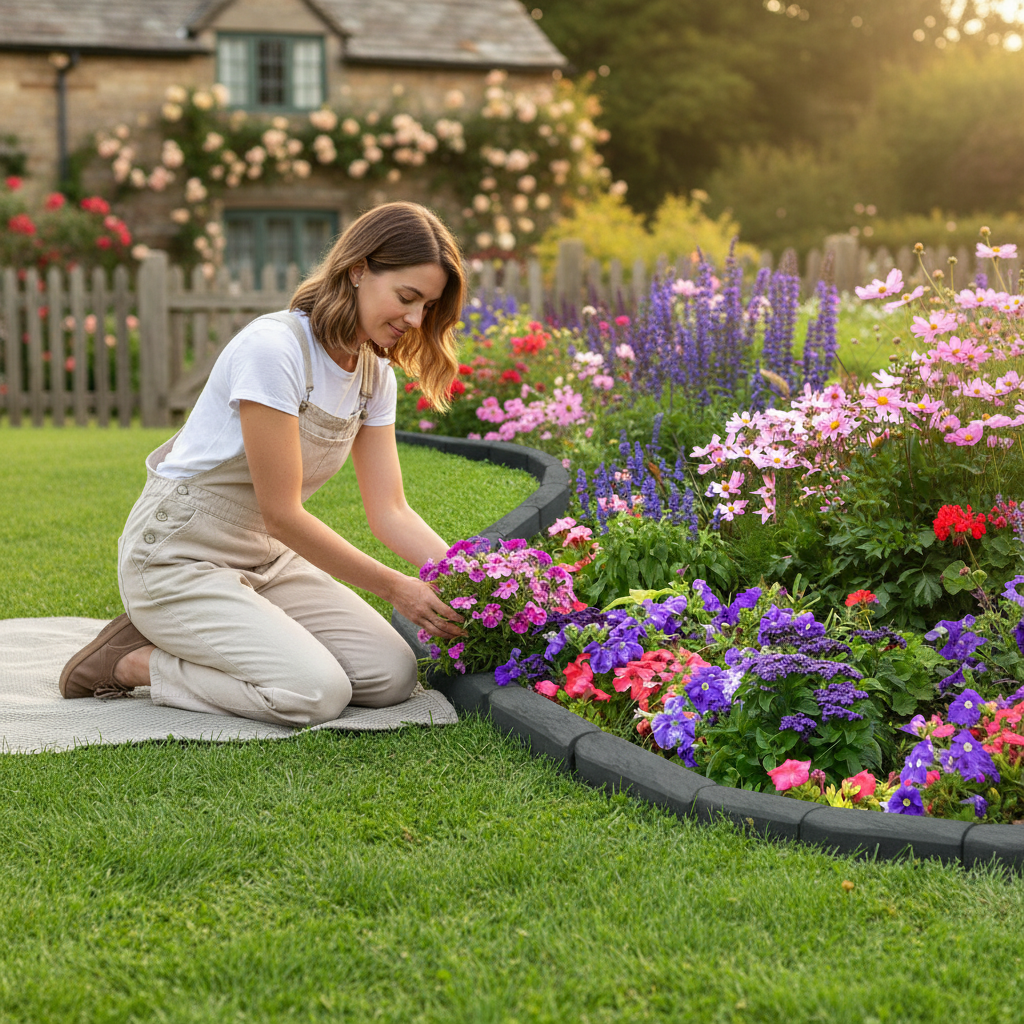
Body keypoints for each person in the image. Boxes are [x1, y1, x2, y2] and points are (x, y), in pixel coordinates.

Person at [59, 201, 466, 726]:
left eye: (428, 307)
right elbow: (283, 512)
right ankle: (133, 661)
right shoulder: (274, 348)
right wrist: (398, 588)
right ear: (358, 269)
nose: (414, 320)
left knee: (391, 676)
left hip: (265, 560)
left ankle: (229, 629)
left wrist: (474, 580)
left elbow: (390, 510)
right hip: (179, 557)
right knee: (315, 693)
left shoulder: (374, 376)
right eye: (407, 297)